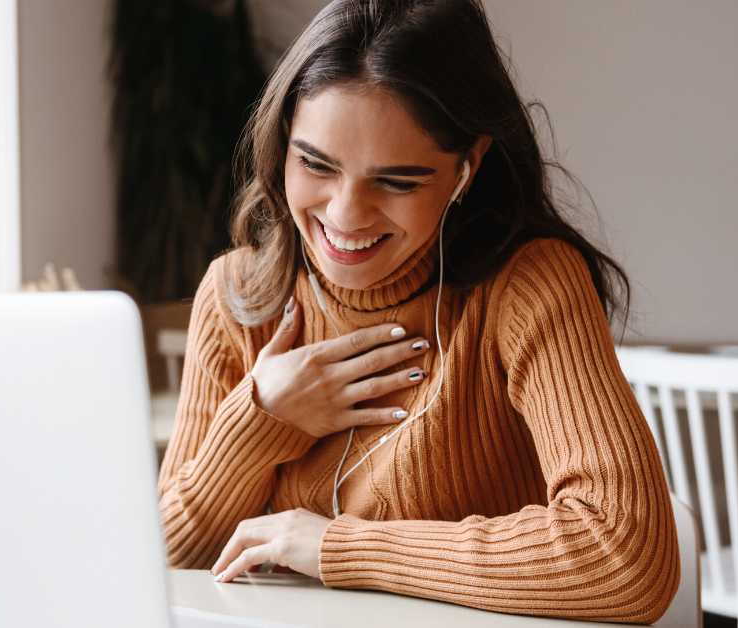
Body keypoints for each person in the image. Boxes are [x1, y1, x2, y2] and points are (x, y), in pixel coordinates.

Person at [158, 0, 679, 622]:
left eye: (397, 181)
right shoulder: (236, 294)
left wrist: (338, 546)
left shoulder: (529, 284)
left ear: (468, 166)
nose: (346, 216)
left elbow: (626, 555)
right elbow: (157, 558)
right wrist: (260, 419)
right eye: (315, 164)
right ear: (282, 143)